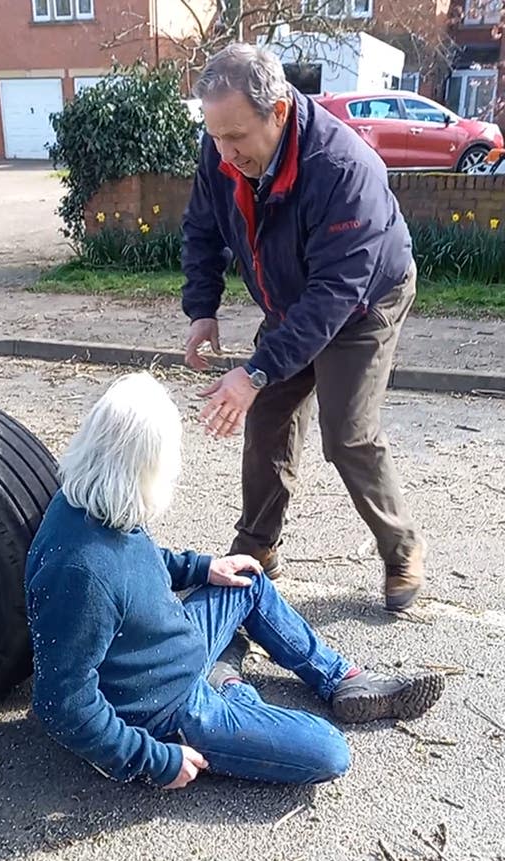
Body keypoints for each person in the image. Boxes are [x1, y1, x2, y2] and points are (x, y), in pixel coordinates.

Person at [25, 372, 443, 790]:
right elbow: (63, 703)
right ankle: (231, 688)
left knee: (247, 577)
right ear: (144, 466)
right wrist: (154, 760)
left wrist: (205, 568)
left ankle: (341, 679)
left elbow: (139, 564)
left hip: (170, 643)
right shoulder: (80, 575)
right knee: (330, 751)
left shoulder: (96, 498)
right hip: (167, 707)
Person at [181, 44, 423, 612]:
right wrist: (202, 308)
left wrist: (256, 370)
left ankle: (402, 548)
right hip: (293, 297)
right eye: (215, 135)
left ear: (280, 112)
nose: (224, 151)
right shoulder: (222, 148)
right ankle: (257, 547)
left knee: (347, 434)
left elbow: (334, 296)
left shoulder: (342, 170)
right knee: (267, 420)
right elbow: (201, 228)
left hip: (365, 300)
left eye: (235, 136)